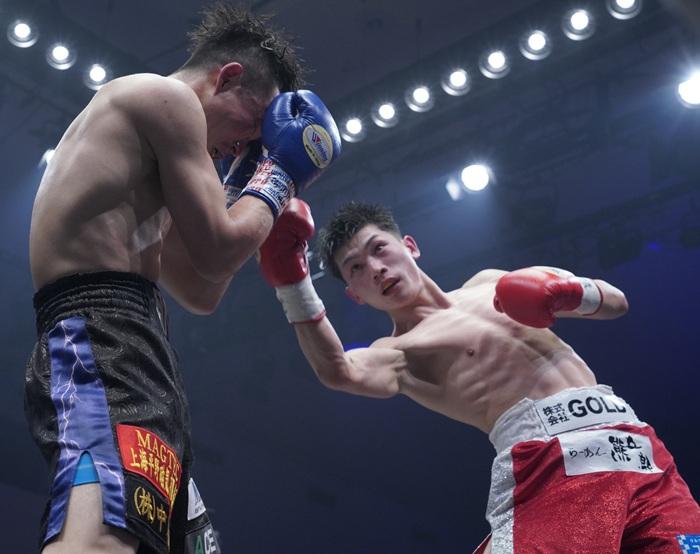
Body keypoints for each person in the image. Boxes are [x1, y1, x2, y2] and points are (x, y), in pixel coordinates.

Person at [26, 4, 341, 553]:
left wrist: (243, 182)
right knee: (104, 536)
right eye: (251, 126)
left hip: (138, 344)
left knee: (177, 543)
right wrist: (280, 174)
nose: (245, 146)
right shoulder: (162, 96)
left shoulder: (145, 173)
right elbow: (219, 252)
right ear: (228, 77)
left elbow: (201, 289)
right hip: (99, 339)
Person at [258, 199, 700, 553]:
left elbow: (616, 303)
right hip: (551, 464)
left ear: (409, 246)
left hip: (639, 449)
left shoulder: (490, 282)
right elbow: (338, 371)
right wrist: (291, 283)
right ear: (355, 295)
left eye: (378, 249)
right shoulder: (399, 351)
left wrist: (569, 292)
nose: (375, 269)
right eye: (355, 268)